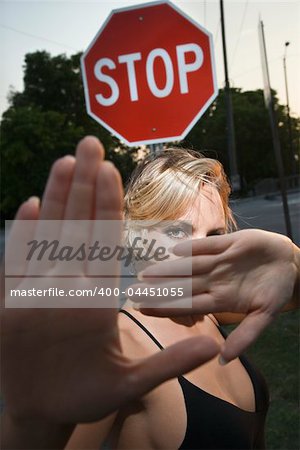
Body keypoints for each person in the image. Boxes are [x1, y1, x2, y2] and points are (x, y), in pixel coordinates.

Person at [1, 136, 299, 449]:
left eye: (214, 234)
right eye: (175, 231)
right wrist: (29, 425)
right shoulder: (121, 346)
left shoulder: (210, 309)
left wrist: (293, 261)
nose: (201, 250)